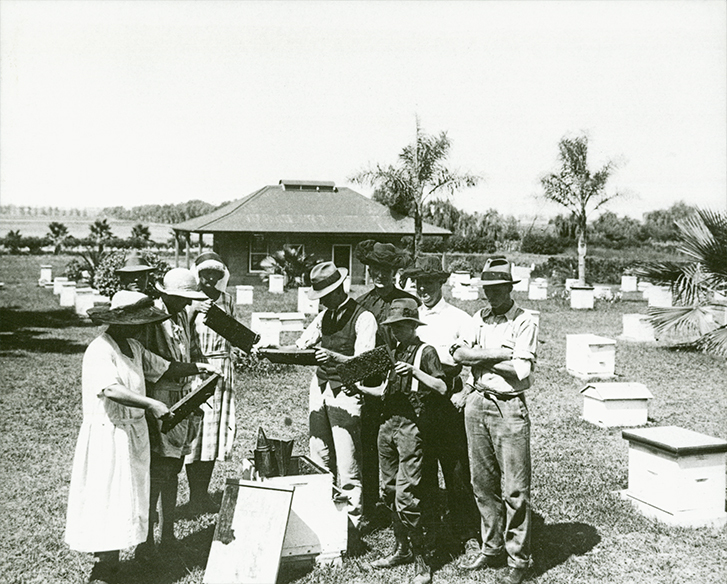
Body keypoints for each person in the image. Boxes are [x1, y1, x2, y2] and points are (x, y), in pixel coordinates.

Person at [65, 291, 216, 584]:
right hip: (108, 433)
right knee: (107, 496)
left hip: (133, 434)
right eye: (138, 322)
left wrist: (200, 367)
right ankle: (103, 566)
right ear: (121, 322)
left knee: (128, 497)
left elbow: (164, 367)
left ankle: (118, 562)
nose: (142, 327)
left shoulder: (133, 347)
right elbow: (110, 389)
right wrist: (151, 403)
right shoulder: (100, 349)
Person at [451, 257, 538, 584]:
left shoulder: (524, 320)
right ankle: (491, 548)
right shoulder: (479, 317)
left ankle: (519, 558)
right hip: (477, 402)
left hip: (508, 407)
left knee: (515, 488)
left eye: (498, 289)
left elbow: (521, 371)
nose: (492, 295)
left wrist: (479, 359)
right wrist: (502, 353)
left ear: (509, 288)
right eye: (488, 290)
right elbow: (457, 355)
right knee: (482, 483)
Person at [295, 262, 379, 550]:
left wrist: (330, 356)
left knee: (347, 462)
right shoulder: (323, 316)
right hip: (319, 389)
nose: (323, 300)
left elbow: (365, 364)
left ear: (339, 288)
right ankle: (323, 516)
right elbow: (302, 343)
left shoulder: (363, 317)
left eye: (326, 294)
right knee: (318, 454)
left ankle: (352, 525)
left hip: (346, 392)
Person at [364, 298, 447, 584]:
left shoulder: (426, 352)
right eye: (392, 327)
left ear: (413, 325)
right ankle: (401, 549)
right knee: (388, 491)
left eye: (401, 326)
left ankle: (421, 560)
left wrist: (414, 371)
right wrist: (360, 388)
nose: (395, 331)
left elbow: (441, 386)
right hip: (387, 425)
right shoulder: (394, 351)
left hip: (412, 427)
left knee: (407, 496)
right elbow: (385, 391)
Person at [401, 256, 480, 552]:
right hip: (418, 399)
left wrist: (464, 393)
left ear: (441, 284)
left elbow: (474, 361)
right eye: (419, 283)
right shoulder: (410, 318)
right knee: (423, 466)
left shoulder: (460, 318)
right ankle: (431, 530)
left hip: (449, 398)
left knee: (456, 467)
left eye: (429, 283)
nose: (424, 289)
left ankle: (465, 530)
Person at [139, 268, 216, 556]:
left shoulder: (182, 315)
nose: (187, 303)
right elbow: (153, 365)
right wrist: (195, 368)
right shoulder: (152, 318)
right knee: (159, 470)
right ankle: (146, 540)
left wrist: (198, 370)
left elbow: (189, 350)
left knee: (174, 468)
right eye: (183, 298)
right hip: (160, 398)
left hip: (183, 396)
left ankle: (168, 533)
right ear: (167, 294)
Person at [354, 240, 418, 524]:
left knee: (403, 445)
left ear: (395, 271)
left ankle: (402, 508)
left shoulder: (405, 302)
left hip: (400, 381)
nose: (380, 274)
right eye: (375, 268)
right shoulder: (361, 303)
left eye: (386, 269)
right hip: (369, 383)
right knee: (367, 444)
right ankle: (369, 507)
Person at [185, 252, 236, 513]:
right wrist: (193, 311)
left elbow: (233, 332)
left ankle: (203, 494)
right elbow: (181, 333)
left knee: (214, 436)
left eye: (216, 274)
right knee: (196, 434)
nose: (211, 278)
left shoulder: (227, 300)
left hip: (222, 370)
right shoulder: (190, 299)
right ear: (198, 274)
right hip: (198, 370)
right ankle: (194, 497)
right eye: (206, 273)